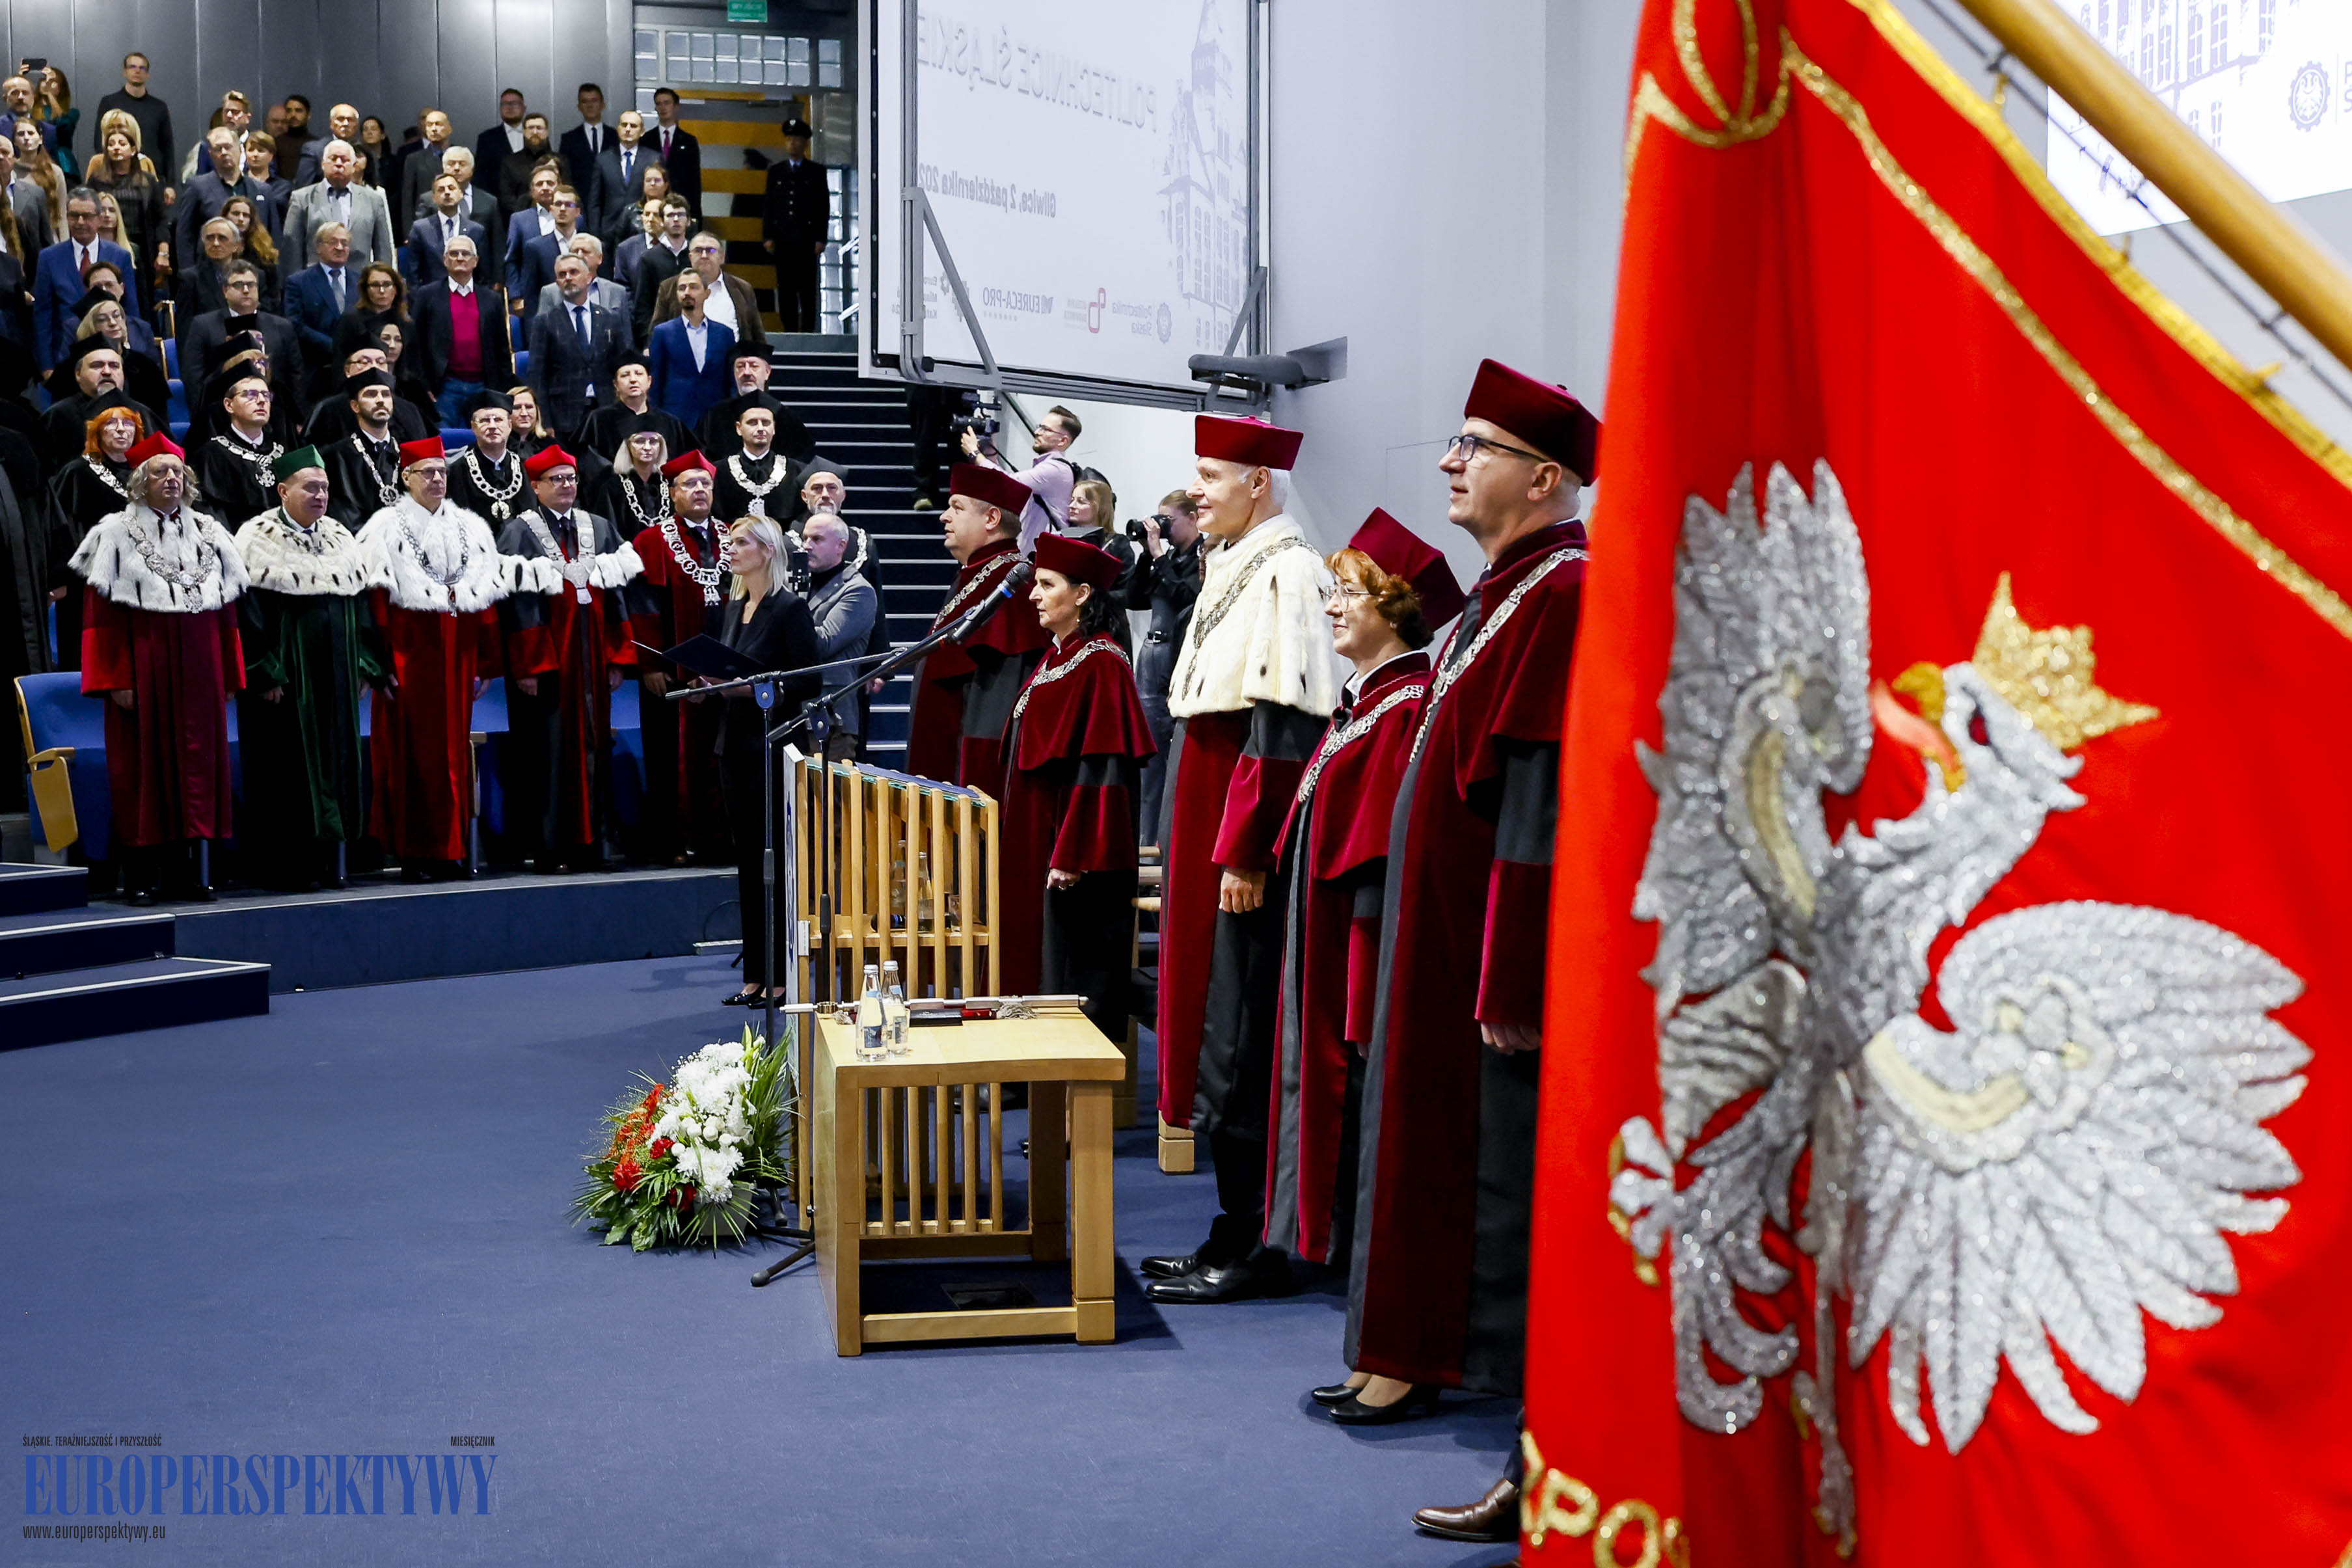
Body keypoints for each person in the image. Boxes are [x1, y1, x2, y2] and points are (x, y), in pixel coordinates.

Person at [1356, 363, 1594, 1536]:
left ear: (1544, 478)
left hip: (1496, 965)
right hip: (1451, 946)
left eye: (1477, 445)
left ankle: (1544, 1470)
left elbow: (1539, 799)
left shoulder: (1559, 591)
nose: (1452, 461)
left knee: (1522, 1204)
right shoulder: (1505, 590)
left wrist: (1511, 974)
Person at [1265, 513, 1458, 1413]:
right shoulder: (1364, 705)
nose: (1333, 604)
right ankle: (1371, 1350)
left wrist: (1358, 999)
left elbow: (1379, 862)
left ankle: (1396, 1359)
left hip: (1369, 965)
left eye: (1352, 591)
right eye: (1334, 589)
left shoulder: (1402, 707)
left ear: (1399, 607)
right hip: (1338, 955)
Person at [1144, 415, 1336, 1307]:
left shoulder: (1288, 567)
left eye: (1211, 478)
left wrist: (1249, 850)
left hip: (1238, 831)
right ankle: (1229, 1223)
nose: (1196, 493)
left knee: (1242, 1025)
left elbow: (1282, 722)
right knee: (1209, 1017)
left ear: (1258, 483)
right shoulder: (1234, 560)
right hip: (1209, 817)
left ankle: (1257, 1239)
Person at [70, 432, 246, 904]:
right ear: (139, 483)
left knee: (197, 771)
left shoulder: (210, 533)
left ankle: (188, 872)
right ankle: (141, 876)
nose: (171, 480)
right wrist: (115, 679)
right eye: (160, 473)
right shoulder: (113, 534)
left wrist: (230, 674)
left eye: (177, 473)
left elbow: (227, 612)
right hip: (144, 671)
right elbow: (99, 619)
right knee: (145, 773)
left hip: (201, 671)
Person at [994, 531, 1154, 1034]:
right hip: (1036, 840)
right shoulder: (1057, 658)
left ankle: (1061, 1093)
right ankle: (1026, 1071)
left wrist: (1072, 852)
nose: (1033, 594)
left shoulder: (1101, 661)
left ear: (1082, 593)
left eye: (1046, 584)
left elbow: (1102, 770)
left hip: (1074, 857)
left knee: (1073, 971)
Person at [358, 435, 534, 881]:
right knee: (412, 754)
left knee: (453, 755)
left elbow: (486, 597)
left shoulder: (471, 527)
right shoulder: (383, 528)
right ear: (406, 477)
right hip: (408, 657)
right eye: (426, 473)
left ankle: (451, 849)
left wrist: (486, 660)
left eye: (441, 472)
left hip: (457, 656)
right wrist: (378, 665)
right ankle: (415, 853)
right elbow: (374, 603)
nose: (436, 480)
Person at [230, 445, 387, 891]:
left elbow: (359, 608)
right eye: (310, 487)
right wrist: (265, 673)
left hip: (334, 680)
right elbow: (248, 617)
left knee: (335, 767)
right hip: (286, 684)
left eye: (324, 488)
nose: (320, 495)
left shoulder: (340, 536)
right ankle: (283, 868)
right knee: (286, 771)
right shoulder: (255, 538)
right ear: (283, 490)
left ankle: (328, 862)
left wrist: (362, 664)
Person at [493, 444, 641, 872]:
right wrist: (529, 665)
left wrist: (616, 657)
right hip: (550, 666)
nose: (566, 486)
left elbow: (615, 592)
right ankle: (550, 847)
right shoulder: (519, 532)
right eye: (556, 480)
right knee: (550, 753)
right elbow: (518, 603)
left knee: (595, 746)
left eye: (571, 479)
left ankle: (592, 843)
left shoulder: (597, 526)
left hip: (592, 662)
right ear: (535, 486)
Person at [709, 515, 818, 1005]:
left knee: (776, 864)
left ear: (768, 550)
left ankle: (780, 977)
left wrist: (753, 687)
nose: (731, 549)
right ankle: (753, 975)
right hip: (733, 745)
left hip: (771, 748)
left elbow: (808, 681)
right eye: (730, 543)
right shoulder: (735, 606)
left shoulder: (789, 608)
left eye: (741, 542)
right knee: (748, 865)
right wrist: (710, 685)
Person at [904, 463, 1049, 785]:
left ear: (992, 519)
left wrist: (974, 790)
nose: (944, 516)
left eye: (957, 507)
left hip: (969, 786)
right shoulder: (973, 575)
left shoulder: (1011, 587)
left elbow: (996, 708)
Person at [623, 449, 731, 863]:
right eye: (690, 484)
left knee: (721, 757)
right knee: (671, 759)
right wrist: (651, 665)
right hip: (670, 675)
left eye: (705, 483)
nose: (700, 490)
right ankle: (674, 843)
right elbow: (643, 606)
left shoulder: (734, 537)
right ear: (672, 492)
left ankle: (721, 838)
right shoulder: (651, 541)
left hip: (726, 677)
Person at [42, 394, 144, 669]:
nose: (122, 429)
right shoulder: (76, 473)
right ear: (97, 431)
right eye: (111, 424)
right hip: (90, 582)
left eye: (128, 424)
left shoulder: (149, 473)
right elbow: (61, 532)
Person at [1126, 491, 1202, 842]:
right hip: (1151, 658)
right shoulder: (1164, 558)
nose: (1162, 527)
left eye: (1168, 520)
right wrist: (1148, 553)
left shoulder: (1203, 558)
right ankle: (1143, 844)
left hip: (1176, 657)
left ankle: (1161, 845)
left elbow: (1188, 596)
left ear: (1193, 517)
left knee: (1168, 762)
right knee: (1147, 760)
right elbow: (1134, 598)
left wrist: (1159, 556)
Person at [798, 510, 875, 761]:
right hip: (793, 713)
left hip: (832, 720)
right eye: (805, 538)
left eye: (817, 539)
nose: (807, 546)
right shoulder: (798, 585)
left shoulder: (858, 591)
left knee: (829, 799)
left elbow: (824, 643)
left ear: (841, 545)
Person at [526, 252, 626, 442]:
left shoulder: (608, 319)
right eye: (562, 275)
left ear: (589, 277)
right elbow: (537, 376)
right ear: (557, 282)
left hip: (606, 409)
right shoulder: (545, 321)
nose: (568, 278)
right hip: (563, 415)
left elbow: (620, 366)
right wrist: (545, 421)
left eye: (573, 272)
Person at [411, 234, 511, 424]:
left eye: (465, 254)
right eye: (454, 253)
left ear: (476, 261)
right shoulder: (427, 295)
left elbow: (502, 349)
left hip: (484, 386)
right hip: (444, 387)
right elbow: (416, 346)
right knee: (446, 445)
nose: (459, 258)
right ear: (444, 260)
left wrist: (500, 389)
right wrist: (423, 387)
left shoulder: (492, 299)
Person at [962, 401, 1076, 549]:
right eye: (1039, 427)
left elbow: (1008, 483)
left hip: (1043, 559)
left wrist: (974, 453)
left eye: (1046, 430)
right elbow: (1005, 480)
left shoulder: (1056, 469)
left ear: (1063, 441)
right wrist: (990, 446)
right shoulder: (1049, 467)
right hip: (1034, 555)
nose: (1037, 432)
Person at [189, 364, 286, 522]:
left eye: (266, 395)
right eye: (251, 394)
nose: (261, 401)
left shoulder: (283, 452)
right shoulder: (210, 456)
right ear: (229, 405)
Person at [760, 116, 828, 332]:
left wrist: (821, 238)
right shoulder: (777, 171)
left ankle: (808, 333)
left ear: (805, 142)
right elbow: (769, 205)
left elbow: (822, 207)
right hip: (783, 240)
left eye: (797, 140)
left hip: (806, 241)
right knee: (786, 290)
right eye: (789, 139)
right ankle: (789, 331)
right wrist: (768, 236)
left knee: (807, 291)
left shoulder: (816, 171)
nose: (792, 143)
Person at [282, 140, 394, 269]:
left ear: (353, 166)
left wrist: (384, 281)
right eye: (333, 159)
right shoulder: (301, 198)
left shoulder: (373, 200)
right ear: (323, 164)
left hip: (359, 282)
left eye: (345, 160)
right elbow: (292, 247)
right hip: (315, 282)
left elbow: (383, 247)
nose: (339, 164)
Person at [646, 230, 764, 350]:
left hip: (731, 362)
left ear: (722, 257)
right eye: (698, 250)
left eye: (711, 250)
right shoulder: (669, 287)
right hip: (683, 361)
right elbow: (656, 331)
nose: (704, 255)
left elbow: (757, 333)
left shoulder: (742, 288)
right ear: (690, 257)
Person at [1059, 476, 1138, 655]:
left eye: (1081, 501)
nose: (1072, 505)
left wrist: (1095, 597)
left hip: (1108, 626)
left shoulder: (1118, 544)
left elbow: (1128, 591)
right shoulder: (1062, 541)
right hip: (1070, 624)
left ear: (1099, 506)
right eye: (1072, 500)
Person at [697, 342, 813, 463]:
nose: (746, 372)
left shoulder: (785, 416)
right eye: (740, 366)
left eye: (754, 366)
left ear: (767, 372)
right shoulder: (715, 416)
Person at [172, 128, 261, 280]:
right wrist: (187, 273)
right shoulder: (197, 187)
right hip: (208, 273)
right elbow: (184, 234)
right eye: (218, 149)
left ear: (240, 150)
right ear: (211, 155)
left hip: (253, 271)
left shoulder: (260, 189)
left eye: (228, 147)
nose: (224, 152)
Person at [648, 269, 732, 430]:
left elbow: (730, 381)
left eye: (694, 287)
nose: (687, 292)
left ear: (707, 293)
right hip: (675, 417)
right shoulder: (662, 332)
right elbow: (656, 380)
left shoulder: (724, 333)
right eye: (682, 288)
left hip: (715, 419)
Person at [85, 111, 165, 280]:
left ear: (134, 149)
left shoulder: (147, 180)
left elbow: (160, 220)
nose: (116, 148)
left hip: (142, 246)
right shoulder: (96, 179)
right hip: (107, 244)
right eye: (111, 144)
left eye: (122, 143)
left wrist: (163, 252)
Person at [321, 368, 407, 522]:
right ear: (355, 406)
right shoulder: (336, 456)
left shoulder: (407, 451)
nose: (380, 400)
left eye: (386, 394)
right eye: (371, 394)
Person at [576, 350, 689, 461]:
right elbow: (589, 460)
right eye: (625, 375)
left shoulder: (669, 422)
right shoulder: (599, 419)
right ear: (616, 384)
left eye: (639, 374)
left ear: (649, 381)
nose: (633, 380)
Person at [97, 53, 172, 200]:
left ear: (148, 74)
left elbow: (167, 147)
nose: (137, 71)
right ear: (124, 72)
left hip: (152, 176)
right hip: (115, 177)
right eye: (133, 67)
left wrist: (170, 184)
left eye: (142, 68)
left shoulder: (159, 107)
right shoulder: (109, 103)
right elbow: (100, 141)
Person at [446, 389, 528, 522]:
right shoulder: (457, 470)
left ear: (509, 425)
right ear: (473, 427)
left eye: (498, 420)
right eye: (485, 420)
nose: (492, 426)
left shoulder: (525, 468)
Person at [710, 402, 798, 522]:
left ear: (774, 428)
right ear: (739, 428)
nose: (761, 428)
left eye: (766, 423)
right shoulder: (717, 471)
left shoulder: (796, 471)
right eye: (752, 423)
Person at [509, 183, 586, 307]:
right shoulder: (535, 248)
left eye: (568, 205)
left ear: (578, 212)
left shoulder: (591, 247)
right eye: (558, 204)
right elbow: (531, 296)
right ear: (551, 209)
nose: (562, 209)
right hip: (549, 318)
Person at [408, 169, 487, 290]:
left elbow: (483, 274)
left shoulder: (476, 230)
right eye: (441, 190)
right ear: (433, 198)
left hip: (468, 297)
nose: (447, 193)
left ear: (461, 194)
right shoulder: (420, 229)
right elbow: (413, 274)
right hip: (431, 300)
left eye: (451, 188)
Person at [629, 194, 692, 343]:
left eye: (680, 215)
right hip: (661, 335)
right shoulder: (649, 258)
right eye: (670, 215)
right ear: (662, 222)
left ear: (689, 221)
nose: (676, 220)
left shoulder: (695, 255)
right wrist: (646, 341)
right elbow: (643, 305)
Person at [591, 109, 657, 245]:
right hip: (608, 232)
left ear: (642, 131)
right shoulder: (603, 159)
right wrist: (595, 234)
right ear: (618, 129)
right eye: (624, 125)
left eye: (633, 126)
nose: (628, 129)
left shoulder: (653, 159)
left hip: (641, 229)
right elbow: (595, 202)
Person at [219, 193, 282, 312]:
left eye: (246, 215)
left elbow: (273, 294)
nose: (241, 219)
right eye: (236, 214)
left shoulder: (263, 250)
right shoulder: (215, 246)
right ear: (226, 216)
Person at [395, 109, 454, 232]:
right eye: (429, 125)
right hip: (425, 221)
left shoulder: (460, 157)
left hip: (456, 219)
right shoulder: (414, 159)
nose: (434, 129)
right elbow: (407, 198)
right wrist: (408, 232)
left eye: (438, 124)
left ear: (449, 128)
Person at [647, 89, 701, 213]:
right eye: (659, 104)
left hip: (680, 204)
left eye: (667, 103)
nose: (663, 107)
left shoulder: (689, 141)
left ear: (676, 107)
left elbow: (695, 181)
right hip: (654, 205)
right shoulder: (646, 140)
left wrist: (695, 214)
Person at [497, 117, 558, 217]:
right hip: (522, 218)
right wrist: (526, 217)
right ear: (524, 132)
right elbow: (506, 198)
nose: (535, 132)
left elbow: (566, 190)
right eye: (531, 128)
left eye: (539, 128)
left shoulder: (560, 161)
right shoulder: (510, 162)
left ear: (547, 132)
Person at [474, 89, 528, 180]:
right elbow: (480, 174)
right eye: (505, 104)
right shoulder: (486, 139)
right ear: (500, 108)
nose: (510, 108)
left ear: (524, 108)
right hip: (496, 194)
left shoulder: (535, 134)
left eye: (514, 103)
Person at [33, 66, 75, 179]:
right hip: (35, 162)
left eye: (53, 81)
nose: (47, 83)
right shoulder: (31, 111)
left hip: (63, 164)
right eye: (44, 80)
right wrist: (21, 78)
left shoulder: (71, 113)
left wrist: (49, 94)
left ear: (61, 88)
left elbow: (63, 124)